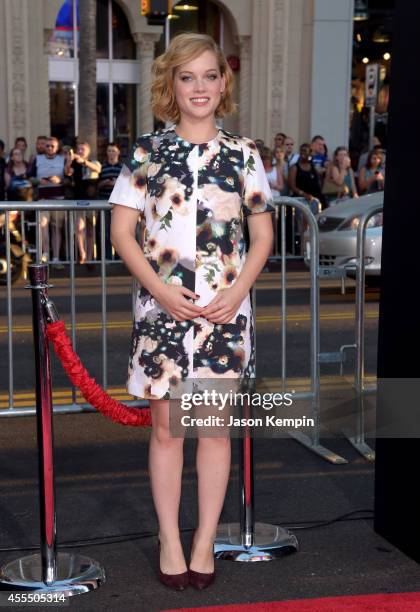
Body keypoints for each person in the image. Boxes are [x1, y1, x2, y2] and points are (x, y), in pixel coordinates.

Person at [109, 32, 274, 591]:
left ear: (223, 83)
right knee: (167, 432)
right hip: (163, 313)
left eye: (209, 75)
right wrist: (158, 289)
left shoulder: (244, 154)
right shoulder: (146, 153)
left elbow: (262, 235)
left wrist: (237, 292)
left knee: (214, 432)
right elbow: (123, 233)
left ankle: (204, 539)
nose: (199, 87)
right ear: (171, 85)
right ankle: (170, 539)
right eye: (187, 76)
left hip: (227, 314)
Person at [29, 136, 67, 263]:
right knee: (43, 227)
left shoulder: (63, 159)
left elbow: (70, 180)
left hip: (58, 199)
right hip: (42, 199)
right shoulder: (37, 159)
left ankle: (56, 257)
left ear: (57, 148)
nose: (50, 148)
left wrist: (60, 180)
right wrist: (38, 181)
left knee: (56, 229)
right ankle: (45, 255)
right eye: (47, 146)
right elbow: (30, 178)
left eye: (52, 146)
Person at [65, 142, 101, 263]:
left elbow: (98, 169)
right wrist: (70, 161)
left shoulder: (93, 162)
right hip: (79, 201)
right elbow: (67, 172)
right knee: (79, 228)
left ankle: (90, 257)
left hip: (92, 202)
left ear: (88, 151)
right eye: (79, 149)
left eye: (83, 149)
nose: (80, 151)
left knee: (91, 231)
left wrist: (84, 162)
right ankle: (82, 254)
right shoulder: (74, 164)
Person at [97, 142, 122, 259]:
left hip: (119, 203)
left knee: (119, 232)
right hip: (104, 201)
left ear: (118, 152)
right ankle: (106, 257)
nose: (111, 153)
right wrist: (105, 182)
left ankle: (119, 257)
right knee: (105, 232)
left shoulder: (123, 167)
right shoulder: (102, 167)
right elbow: (97, 185)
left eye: (113, 150)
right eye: (109, 151)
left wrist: (117, 183)